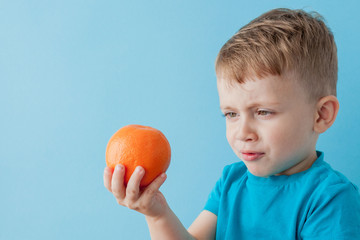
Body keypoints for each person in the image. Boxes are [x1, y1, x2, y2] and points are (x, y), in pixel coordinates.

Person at [103, 8, 360, 239]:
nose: (242, 132)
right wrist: (157, 214)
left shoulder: (331, 199)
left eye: (263, 112)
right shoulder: (232, 181)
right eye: (231, 114)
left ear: (321, 115)